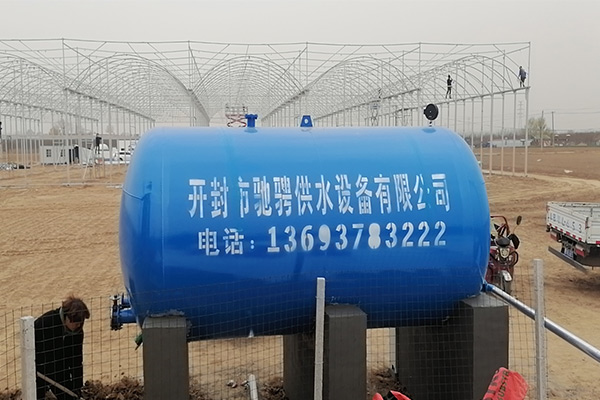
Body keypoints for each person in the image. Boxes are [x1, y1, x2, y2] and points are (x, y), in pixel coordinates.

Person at [35, 296, 90, 400]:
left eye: (81, 322)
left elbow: (76, 360)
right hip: (39, 369)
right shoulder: (45, 323)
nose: (79, 326)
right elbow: (33, 350)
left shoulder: (77, 332)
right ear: (67, 317)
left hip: (60, 369)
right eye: (76, 322)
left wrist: (77, 387)